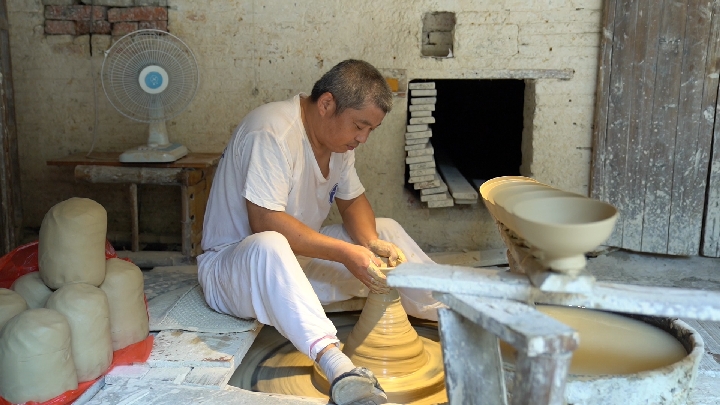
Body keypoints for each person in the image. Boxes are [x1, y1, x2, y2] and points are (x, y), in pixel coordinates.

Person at [198, 59, 441, 405]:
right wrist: (345, 253)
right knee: (271, 244)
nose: (362, 138)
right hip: (235, 273)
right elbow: (265, 221)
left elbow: (352, 202)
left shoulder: (338, 144)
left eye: (371, 130)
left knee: (385, 231)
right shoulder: (271, 131)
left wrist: (370, 244)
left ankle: (453, 312)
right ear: (327, 104)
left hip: (297, 267)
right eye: (359, 126)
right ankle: (339, 368)